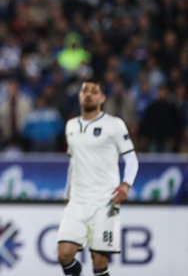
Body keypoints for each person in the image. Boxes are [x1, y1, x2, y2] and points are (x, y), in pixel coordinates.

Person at [57, 80, 139, 276]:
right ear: (79, 96)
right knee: (64, 255)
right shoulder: (71, 126)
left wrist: (126, 185)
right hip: (78, 201)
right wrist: (68, 193)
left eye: (94, 92)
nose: (88, 94)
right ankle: (75, 272)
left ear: (102, 98)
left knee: (99, 262)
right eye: (85, 90)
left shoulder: (114, 125)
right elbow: (73, 162)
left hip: (105, 201)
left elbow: (131, 159)